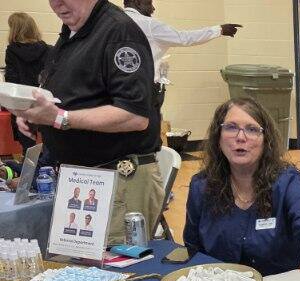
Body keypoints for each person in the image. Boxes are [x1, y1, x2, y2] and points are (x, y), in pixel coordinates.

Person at [11, 0, 163, 245]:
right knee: (78, 263)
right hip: (84, 178)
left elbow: (134, 116)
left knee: (116, 262)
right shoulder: (73, 33)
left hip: (119, 179)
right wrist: (34, 113)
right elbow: (71, 96)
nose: (57, 4)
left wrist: (59, 118)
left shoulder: (118, 32)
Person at [183, 98, 300, 280]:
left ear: (266, 140)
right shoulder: (201, 186)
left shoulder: (287, 181)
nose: (241, 137)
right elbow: (193, 247)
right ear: (218, 137)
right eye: (231, 127)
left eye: (252, 129)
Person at [122, 0, 242, 112]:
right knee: (147, 124)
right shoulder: (149, 24)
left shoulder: (115, 22)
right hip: (144, 89)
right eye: (149, 3)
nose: (153, 8)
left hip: (118, 86)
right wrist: (219, 30)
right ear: (137, 2)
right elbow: (184, 38)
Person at [4, 13, 51, 154]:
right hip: (43, 99)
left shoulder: (12, 51)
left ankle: (30, 164)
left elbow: (11, 80)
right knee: (49, 142)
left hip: (22, 102)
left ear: (15, 30)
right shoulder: (48, 49)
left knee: (28, 144)